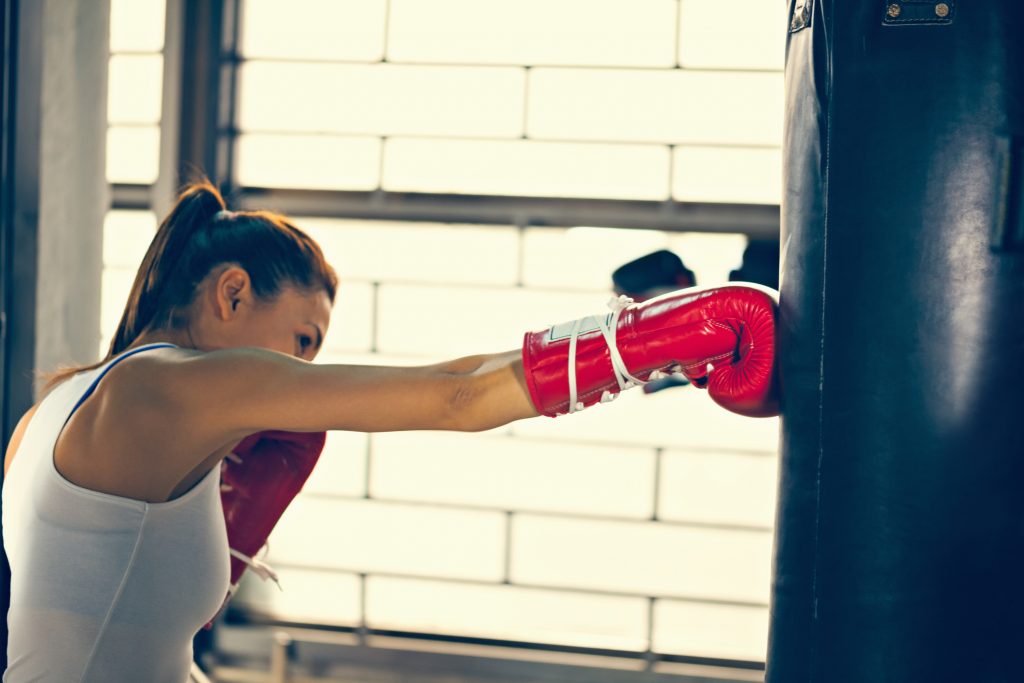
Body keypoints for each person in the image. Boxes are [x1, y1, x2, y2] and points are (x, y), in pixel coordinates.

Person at [1, 180, 778, 682]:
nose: (304, 371)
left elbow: (102, 648)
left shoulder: (54, 410)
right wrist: (639, 344)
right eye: (303, 341)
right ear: (232, 295)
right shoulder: (176, 385)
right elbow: (453, 398)